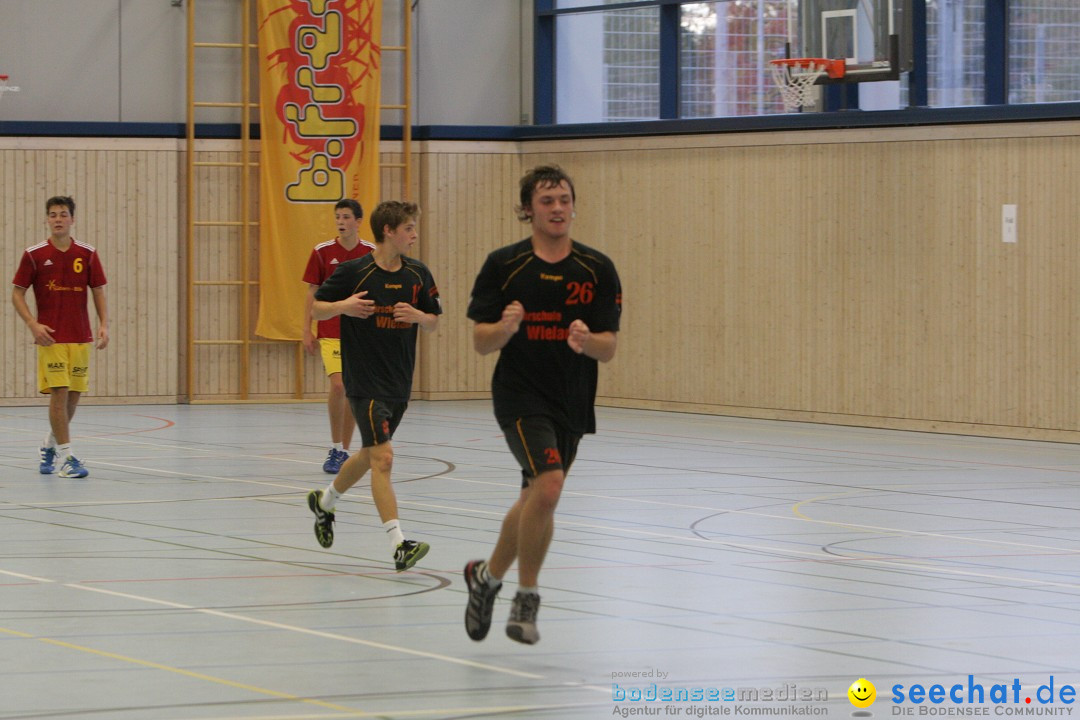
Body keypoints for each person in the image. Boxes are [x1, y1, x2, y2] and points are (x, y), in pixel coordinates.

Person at [463, 165, 622, 645]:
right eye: (547, 200)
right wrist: (505, 329)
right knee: (548, 487)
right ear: (528, 209)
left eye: (564, 199)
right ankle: (526, 597)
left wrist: (585, 339)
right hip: (519, 395)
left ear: (574, 206)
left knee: (536, 495)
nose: (557, 208)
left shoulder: (596, 269)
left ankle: (486, 579)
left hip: (571, 399)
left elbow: (608, 346)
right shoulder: (504, 265)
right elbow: (480, 342)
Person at [305, 200, 441, 572]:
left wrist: (419, 316)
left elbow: (433, 321)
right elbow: (317, 308)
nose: (414, 235)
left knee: (368, 454)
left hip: (399, 383)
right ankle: (399, 543)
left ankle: (325, 503)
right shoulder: (354, 271)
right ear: (389, 232)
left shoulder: (418, 273)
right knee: (383, 458)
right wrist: (344, 306)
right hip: (364, 382)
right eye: (409, 229)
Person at [11, 195, 109, 479]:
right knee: (59, 393)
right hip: (51, 337)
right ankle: (68, 458)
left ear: (72, 219)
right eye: (52, 214)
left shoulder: (87, 253)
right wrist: (33, 324)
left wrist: (104, 324)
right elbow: (17, 293)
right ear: (47, 219)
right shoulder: (34, 254)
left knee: (73, 398)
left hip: (80, 336)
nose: (57, 219)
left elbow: (98, 289)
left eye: (63, 214)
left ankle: (49, 445)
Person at [302, 199, 374, 474]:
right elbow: (312, 293)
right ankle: (335, 446)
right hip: (331, 330)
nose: (341, 221)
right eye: (338, 217)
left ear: (358, 221)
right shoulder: (322, 252)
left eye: (346, 217)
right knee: (338, 386)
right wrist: (306, 329)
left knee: (354, 391)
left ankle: (344, 450)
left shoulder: (370, 252)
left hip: (362, 333)